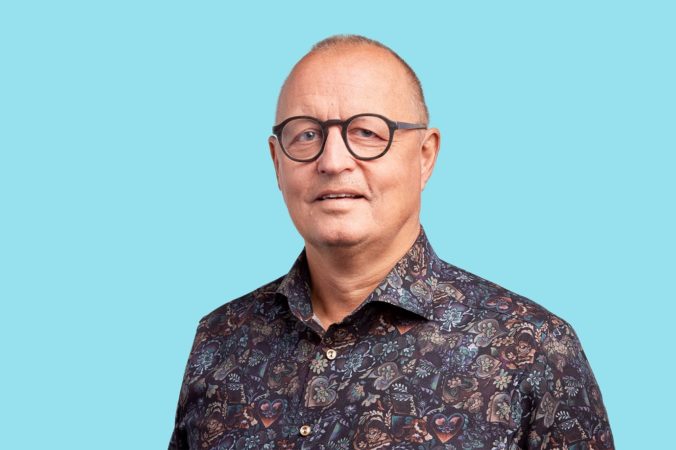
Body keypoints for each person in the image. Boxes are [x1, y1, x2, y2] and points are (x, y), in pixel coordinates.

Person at [168, 35, 614, 450]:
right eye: (306, 135)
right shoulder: (220, 339)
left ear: (425, 155)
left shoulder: (532, 349)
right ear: (276, 163)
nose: (333, 161)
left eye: (367, 132)